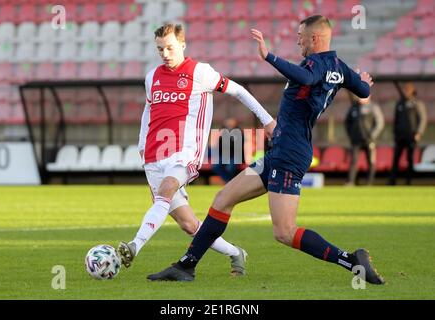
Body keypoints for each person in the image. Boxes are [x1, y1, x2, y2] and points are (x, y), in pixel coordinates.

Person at [148, 15, 385, 285]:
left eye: (301, 37)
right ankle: (186, 266)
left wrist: (269, 56)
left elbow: (306, 77)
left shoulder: (315, 64)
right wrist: (362, 81)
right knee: (223, 199)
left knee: (284, 232)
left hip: (290, 154)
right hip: (280, 151)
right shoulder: (339, 67)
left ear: (315, 39)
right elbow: (363, 89)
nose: (298, 41)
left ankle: (352, 260)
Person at [117, 23, 276, 276]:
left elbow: (239, 91)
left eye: (169, 48)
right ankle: (236, 253)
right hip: (153, 155)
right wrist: (140, 144)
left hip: (185, 152)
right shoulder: (152, 77)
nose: (165, 54)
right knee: (189, 224)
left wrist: (267, 119)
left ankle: (134, 246)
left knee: (165, 193)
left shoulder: (200, 72)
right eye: (160, 50)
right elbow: (148, 111)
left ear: (182, 44)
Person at [389, 82, 427, 185]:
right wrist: (395, 133)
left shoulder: (417, 103)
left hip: (412, 136)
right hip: (400, 136)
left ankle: (408, 181)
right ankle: (392, 180)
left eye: (407, 90)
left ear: (412, 91)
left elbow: (422, 119)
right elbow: (396, 120)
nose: (405, 92)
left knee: (409, 158)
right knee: (396, 158)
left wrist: (419, 132)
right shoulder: (400, 104)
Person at [345, 94, 384, 185]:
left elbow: (379, 123)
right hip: (356, 140)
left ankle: (369, 183)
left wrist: (372, 136)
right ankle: (351, 182)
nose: (361, 98)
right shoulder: (354, 108)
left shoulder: (373, 107)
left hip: (369, 141)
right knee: (354, 161)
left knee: (371, 161)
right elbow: (347, 123)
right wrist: (351, 135)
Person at [211, 118, 245, 183]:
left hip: (235, 156)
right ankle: (228, 181)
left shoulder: (239, 133)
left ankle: (231, 182)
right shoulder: (223, 133)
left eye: (231, 123)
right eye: (228, 123)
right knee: (216, 167)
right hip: (225, 155)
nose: (229, 125)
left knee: (229, 168)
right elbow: (219, 147)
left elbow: (238, 147)